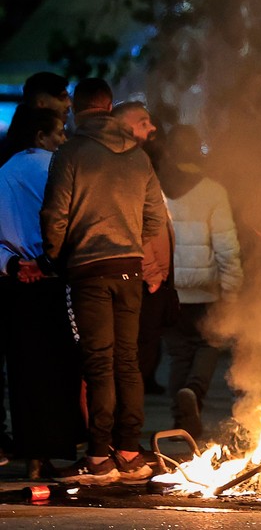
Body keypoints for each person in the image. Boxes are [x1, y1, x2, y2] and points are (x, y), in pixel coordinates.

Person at [40, 78, 166, 484]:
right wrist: (132, 242)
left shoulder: (70, 153)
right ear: (110, 107)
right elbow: (155, 216)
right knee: (127, 359)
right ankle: (129, 451)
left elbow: (54, 214)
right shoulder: (138, 156)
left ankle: (98, 457)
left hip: (88, 269)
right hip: (129, 268)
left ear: (76, 109)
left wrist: (56, 255)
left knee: (98, 361)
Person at [0, 107, 85, 479]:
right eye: (59, 133)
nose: (64, 139)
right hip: (52, 281)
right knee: (59, 368)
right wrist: (44, 263)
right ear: (40, 136)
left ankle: (32, 456)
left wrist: (13, 265)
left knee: (25, 371)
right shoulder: (55, 167)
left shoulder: (4, 172)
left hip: (15, 284)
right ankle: (53, 449)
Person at [158, 124, 243, 439]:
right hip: (204, 287)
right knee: (210, 343)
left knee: (178, 353)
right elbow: (226, 246)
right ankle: (193, 391)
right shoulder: (212, 191)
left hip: (167, 286)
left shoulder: (154, 187)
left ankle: (180, 421)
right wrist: (232, 289)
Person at [113, 101, 172, 395]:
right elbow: (135, 225)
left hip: (147, 275)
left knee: (141, 346)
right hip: (139, 276)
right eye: (143, 122)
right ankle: (125, 415)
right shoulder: (124, 164)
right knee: (134, 350)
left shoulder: (139, 161)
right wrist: (152, 272)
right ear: (124, 126)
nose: (153, 128)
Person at [1, 72, 71, 166]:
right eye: (62, 98)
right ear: (41, 103)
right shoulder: (29, 155)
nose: (69, 104)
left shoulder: (13, 142)